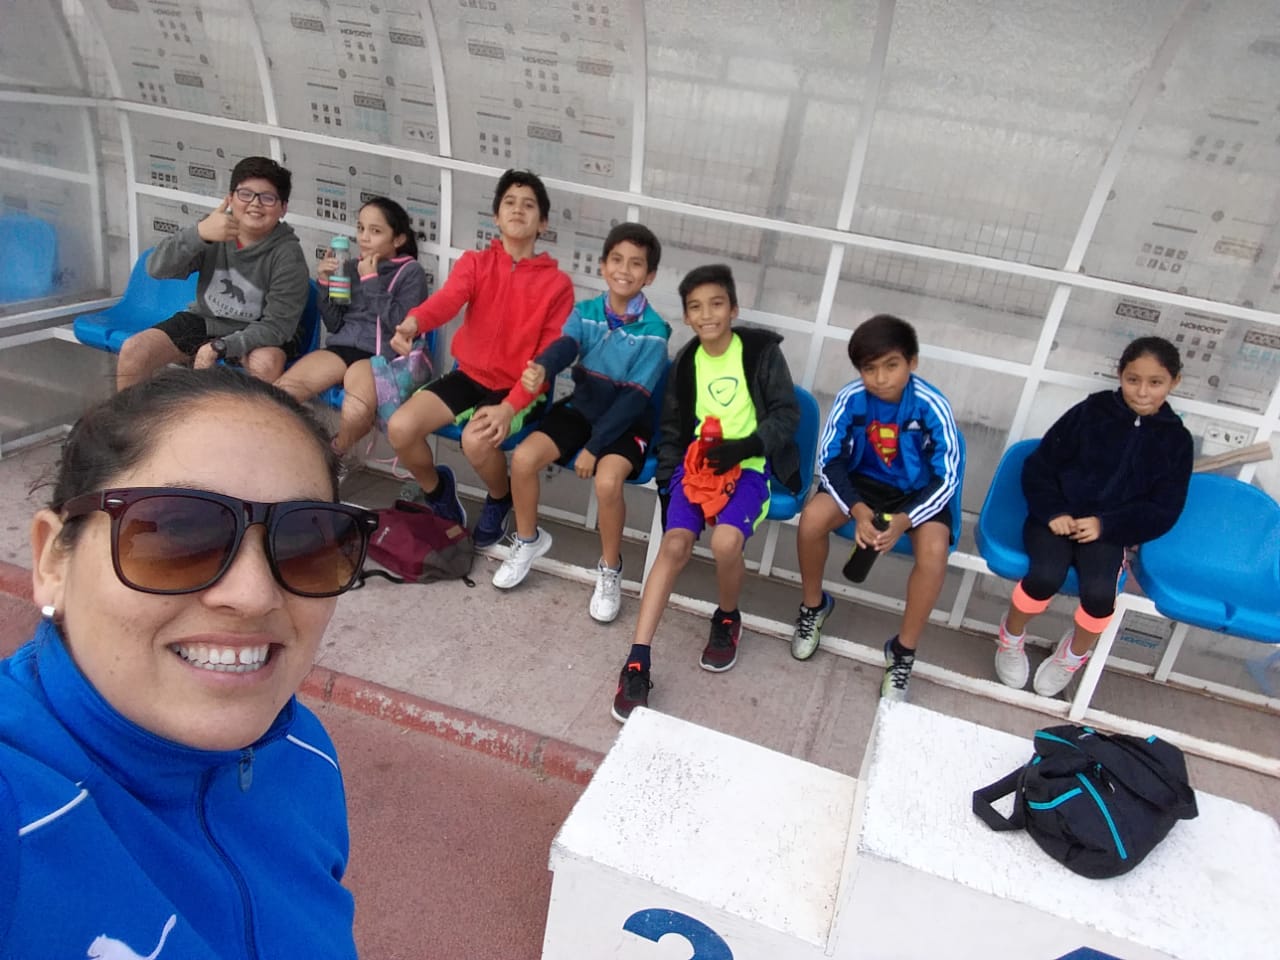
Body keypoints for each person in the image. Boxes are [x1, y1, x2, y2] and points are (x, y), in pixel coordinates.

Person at [1, 367, 376, 957]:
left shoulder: (301, 750)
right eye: (175, 532)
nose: (253, 595)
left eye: (306, 541)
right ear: (53, 560)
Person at [611, 264, 801, 722]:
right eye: (696, 307)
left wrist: (746, 446)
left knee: (725, 542)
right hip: (697, 468)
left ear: (733, 308)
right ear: (687, 316)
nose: (707, 314)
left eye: (716, 304)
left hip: (749, 466)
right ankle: (637, 661)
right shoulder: (686, 362)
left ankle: (727, 617)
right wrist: (668, 484)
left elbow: (786, 414)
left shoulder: (760, 353)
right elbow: (673, 431)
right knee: (675, 544)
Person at [994, 336, 1193, 697]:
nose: (1142, 392)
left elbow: (1164, 509)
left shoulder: (1176, 440)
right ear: (1120, 374)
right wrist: (1053, 511)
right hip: (1053, 522)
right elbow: (1039, 466)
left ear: (1174, 382)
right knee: (1044, 576)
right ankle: (1010, 637)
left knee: (1101, 596)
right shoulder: (1091, 412)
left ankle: (1072, 656)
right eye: (1133, 380)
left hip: (1108, 534)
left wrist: (1106, 525)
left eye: (1155, 382)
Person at [387, 169, 575, 548]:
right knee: (400, 428)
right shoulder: (475, 262)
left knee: (476, 441)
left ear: (543, 223)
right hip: (468, 375)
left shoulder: (557, 285)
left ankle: (500, 497)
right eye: (510, 202)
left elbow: (547, 358)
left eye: (528, 205)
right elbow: (447, 301)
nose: (518, 210)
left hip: (519, 388)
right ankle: (438, 491)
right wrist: (413, 323)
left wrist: (509, 407)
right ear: (496, 217)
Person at [492, 223, 670, 621]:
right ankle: (528, 540)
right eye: (617, 260)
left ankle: (610, 569)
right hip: (583, 410)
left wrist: (593, 447)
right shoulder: (586, 312)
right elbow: (566, 345)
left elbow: (633, 400)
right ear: (603, 266)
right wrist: (542, 367)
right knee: (523, 459)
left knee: (607, 482)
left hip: (628, 424)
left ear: (650, 276)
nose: (624, 270)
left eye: (636, 264)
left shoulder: (655, 332)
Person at [790, 315, 963, 703]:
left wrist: (905, 519)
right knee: (812, 519)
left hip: (917, 493)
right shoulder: (851, 399)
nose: (881, 378)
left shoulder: (932, 405)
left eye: (891, 365)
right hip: (863, 486)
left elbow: (947, 476)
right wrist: (857, 508)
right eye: (870, 368)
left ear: (912, 362)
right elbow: (830, 460)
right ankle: (814, 607)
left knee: (935, 551)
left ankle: (902, 651)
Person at [116, 156, 311, 390]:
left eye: (267, 198)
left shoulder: (288, 254)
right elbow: (157, 269)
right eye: (245, 194)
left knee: (265, 363)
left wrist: (219, 347)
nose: (255, 204)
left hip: (259, 332)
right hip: (208, 321)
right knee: (134, 350)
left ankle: (245, 416)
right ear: (230, 199)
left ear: (283, 209)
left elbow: (277, 326)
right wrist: (199, 234)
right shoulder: (212, 229)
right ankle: (130, 414)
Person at [274, 196, 429, 455]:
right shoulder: (350, 266)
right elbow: (334, 324)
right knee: (280, 395)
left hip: (378, 356)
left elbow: (401, 324)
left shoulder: (410, 272)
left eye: (375, 231)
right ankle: (298, 451)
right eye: (360, 228)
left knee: (357, 411)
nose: (364, 238)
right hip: (341, 347)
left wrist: (370, 280)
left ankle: (335, 453)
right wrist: (325, 283)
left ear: (398, 239)